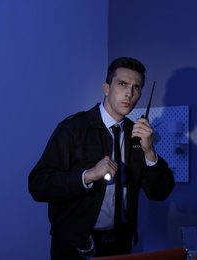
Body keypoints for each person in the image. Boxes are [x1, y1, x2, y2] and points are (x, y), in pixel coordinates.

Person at [28, 57, 175, 259]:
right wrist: (87, 176)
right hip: (75, 246)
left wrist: (150, 152)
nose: (129, 94)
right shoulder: (73, 130)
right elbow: (38, 185)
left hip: (121, 246)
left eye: (137, 88)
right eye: (122, 84)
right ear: (106, 88)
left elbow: (160, 193)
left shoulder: (139, 135)